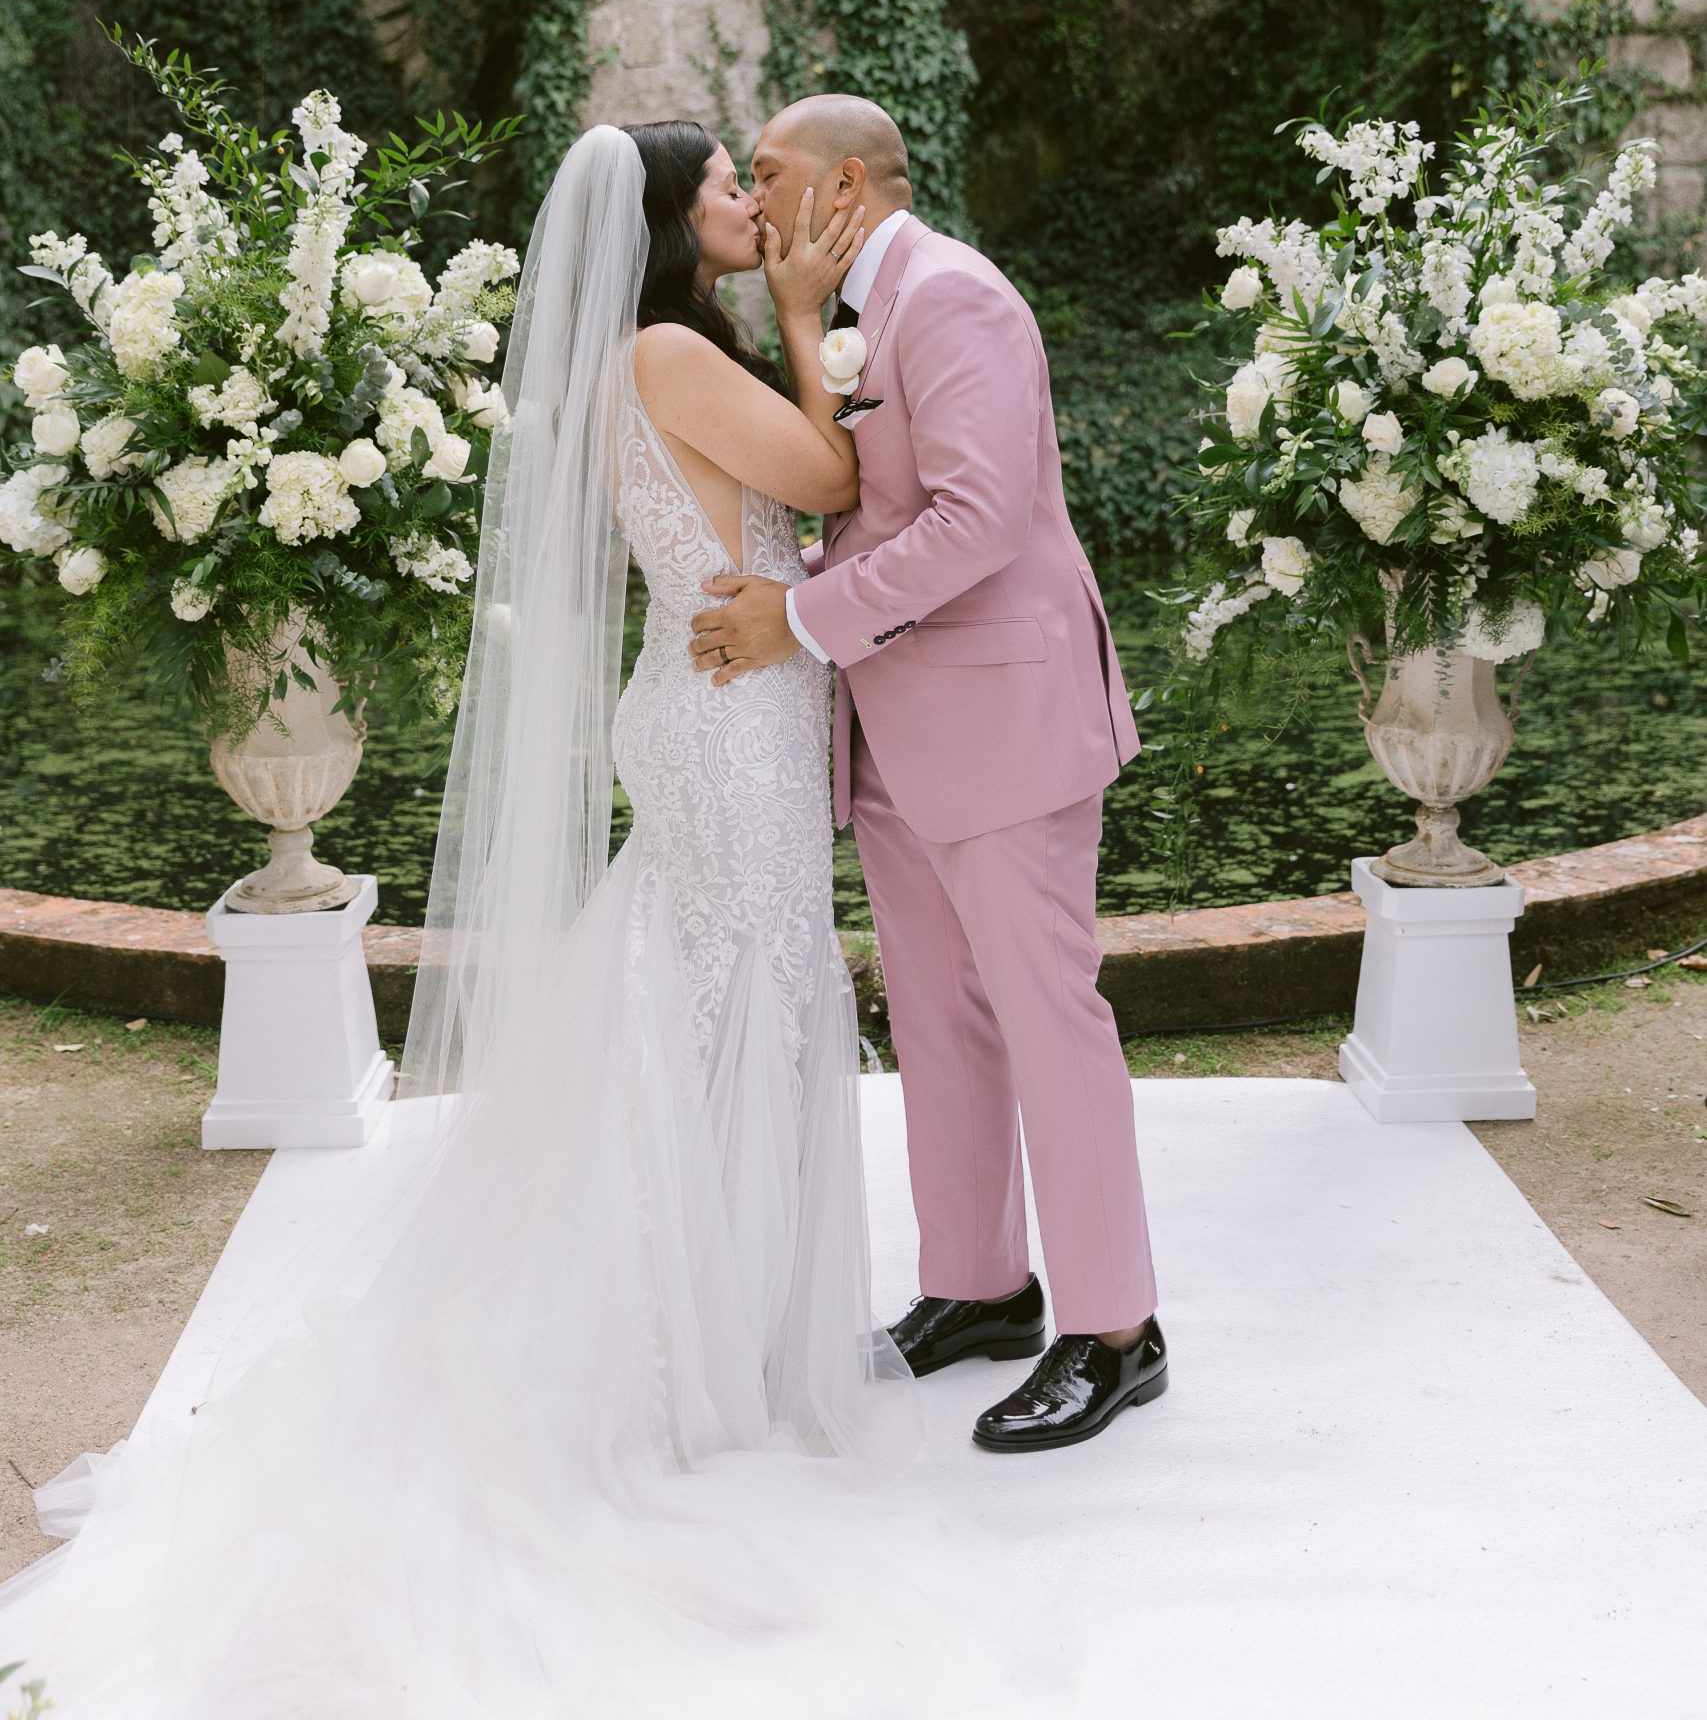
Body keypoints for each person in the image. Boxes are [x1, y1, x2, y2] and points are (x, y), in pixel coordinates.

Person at [0, 121, 1032, 1719]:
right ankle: (695, 1360)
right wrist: (812, 321)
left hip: (731, 710)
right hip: (726, 724)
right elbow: (831, 481)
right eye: (725, 188)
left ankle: (731, 1331)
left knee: (712, 1001)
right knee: (740, 1002)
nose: (752, 203)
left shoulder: (667, 354)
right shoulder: (666, 357)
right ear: (669, 222)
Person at [693, 94, 1165, 1454]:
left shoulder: (954, 297)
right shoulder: (854, 309)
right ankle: (979, 1287)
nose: (755, 201)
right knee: (939, 1020)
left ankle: (1117, 1332)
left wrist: (798, 618)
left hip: (1003, 718)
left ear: (846, 184)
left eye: (769, 172)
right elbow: (866, 500)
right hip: (897, 728)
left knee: (1048, 1017)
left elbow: (977, 520)